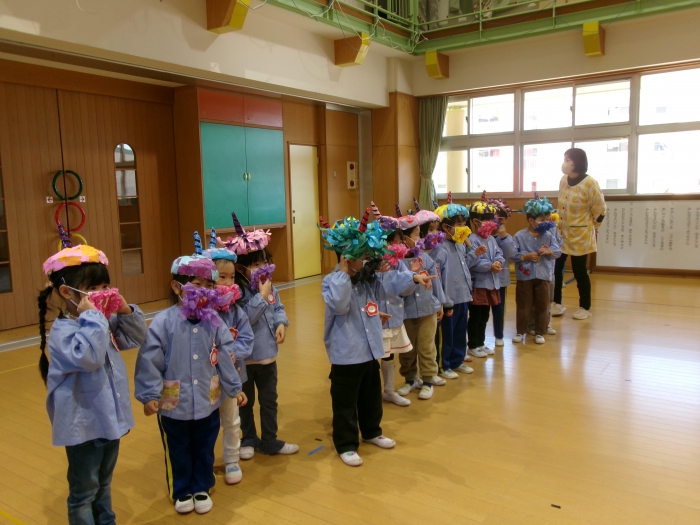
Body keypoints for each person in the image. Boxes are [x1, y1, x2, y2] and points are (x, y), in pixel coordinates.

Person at [38, 225, 147, 525]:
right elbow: (89, 357)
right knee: (84, 491)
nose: (101, 294)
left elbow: (136, 337)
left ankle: (106, 521)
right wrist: (94, 318)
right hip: (83, 426)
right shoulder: (62, 332)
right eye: (94, 289)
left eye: (104, 287)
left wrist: (125, 311)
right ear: (67, 293)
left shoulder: (99, 322)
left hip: (108, 419)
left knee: (103, 482)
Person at [134, 252, 247, 514]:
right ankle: (182, 489)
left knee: (205, 445)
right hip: (174, 405)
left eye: (209, 286)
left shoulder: (214, 321)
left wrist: (234, 388)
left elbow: (225, 355)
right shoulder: (163, 322)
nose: (204, 291)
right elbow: (150, 360)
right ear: (177, 287)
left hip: (207, 401)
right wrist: (149, 394)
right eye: (197, 285)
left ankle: (202, 486)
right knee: (179, 448)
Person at [319, 212, 424, 466]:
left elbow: (388, 286)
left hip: (369, 349)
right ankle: (346, 444)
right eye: (362, 256)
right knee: (345, 401)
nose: (367, 260)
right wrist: (344, 273)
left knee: (371, 395)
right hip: (347, 354)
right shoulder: (332, 281)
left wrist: (412, 277)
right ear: (347, 258)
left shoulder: (368, 280)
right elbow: (340, 305)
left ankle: (371, 431)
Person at [220, 211, 299, 460]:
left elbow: (279, 308)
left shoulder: (269, 286)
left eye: (265, 262)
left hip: (267, 356)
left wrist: (281, 323)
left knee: (269, 400)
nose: (262, 268)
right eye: (256, 264)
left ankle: (270, 440)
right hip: (244, 360)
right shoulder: (236, 294)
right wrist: (262, 296)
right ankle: (248, 439)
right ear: (241, 268)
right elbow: (245, 319)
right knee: (245, 402)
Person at [205, 230, 255, 485]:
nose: (227, 282)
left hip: (232, 377)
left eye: (232, 277)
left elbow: (247, 339)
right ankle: (204, 463)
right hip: (207, 380)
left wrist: (235, 352)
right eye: (221, 277)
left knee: (232, 421)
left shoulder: (236, 311)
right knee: (206, 425)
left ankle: (232, 460)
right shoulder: (201, 312)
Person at [367, 204, 418, 407]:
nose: (395, 247)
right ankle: (371, 395)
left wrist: (413, 276)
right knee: (373, 357)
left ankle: (389, 391)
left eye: (398, 243)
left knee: (389, 356)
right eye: (391, 243)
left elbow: (405, 290)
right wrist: (375, 272)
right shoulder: (369, 265)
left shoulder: (399, 263)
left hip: (394, 316)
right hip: (375, 319)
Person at [395, 202, 446, 401]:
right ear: (404, 239)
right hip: (406, 313)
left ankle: (427, 381)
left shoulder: (425, 258)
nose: (419, 239)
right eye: (416, 235)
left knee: (426, 346)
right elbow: (396, 287)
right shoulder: (397, 263)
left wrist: (440, 303)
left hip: (427, 310)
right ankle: (410, 379)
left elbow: (436, 282)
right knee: (407, 348)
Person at [434, 192, 485, 378]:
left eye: (464, 223)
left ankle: (457, 360)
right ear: (446, 227)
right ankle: (444, 365)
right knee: (446, 334)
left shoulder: (460, 244)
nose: (463, 228)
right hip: (449, 299)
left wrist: (475, 253)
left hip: (463, 296)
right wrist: (443, 301)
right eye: (459, 225)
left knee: (460, 331)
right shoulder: (439, 249)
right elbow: (437, 276)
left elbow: (465, 265)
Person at [552, 148, 606, 320]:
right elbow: (561, 205)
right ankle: (556, 303)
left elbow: (600, 209)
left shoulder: (590, 183)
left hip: (580, 234)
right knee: (556, 269)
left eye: (568, 160)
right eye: (564, 159)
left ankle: (585, 307)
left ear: (578, 162)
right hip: (561, 233)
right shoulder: (563, 180)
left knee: (579, 271)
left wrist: (593, 226)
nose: (565, 163)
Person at [511, 196, 562, 344]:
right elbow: (512, 254)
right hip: (524, 277)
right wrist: (525, 256)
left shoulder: (548, 235)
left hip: (543, 276)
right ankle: (521, 331)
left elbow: (558, 251)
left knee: (543, 305)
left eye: (546, 219)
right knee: (523, 305)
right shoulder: (519, 236)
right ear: (531, 220)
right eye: (541, 219)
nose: (545, 222)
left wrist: (549, 251)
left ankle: (540, 331)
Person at [467, 197, 506, 358]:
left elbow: (499, 253)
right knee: (476, 315)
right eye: (485, 220)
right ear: (475, 221)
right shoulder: (471, 240)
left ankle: (481, 342)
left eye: (491, 219)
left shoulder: (491, 239)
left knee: (485, 315)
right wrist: (490, 266)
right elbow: (473, 262)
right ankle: (473, 344)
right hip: (479, 285)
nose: (489, 223)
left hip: (491, 284)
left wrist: (498, 262)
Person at [486, 193, 516, 348]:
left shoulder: (506, 237)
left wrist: (504, 236)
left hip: (500, 281)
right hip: (484, 280)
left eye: (500, 219)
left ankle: (499, 335)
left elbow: (510, 254)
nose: (496, 222)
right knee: (483, 310)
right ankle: (479, 339)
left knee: (499, 308)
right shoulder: (483, 237)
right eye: (493, 218)